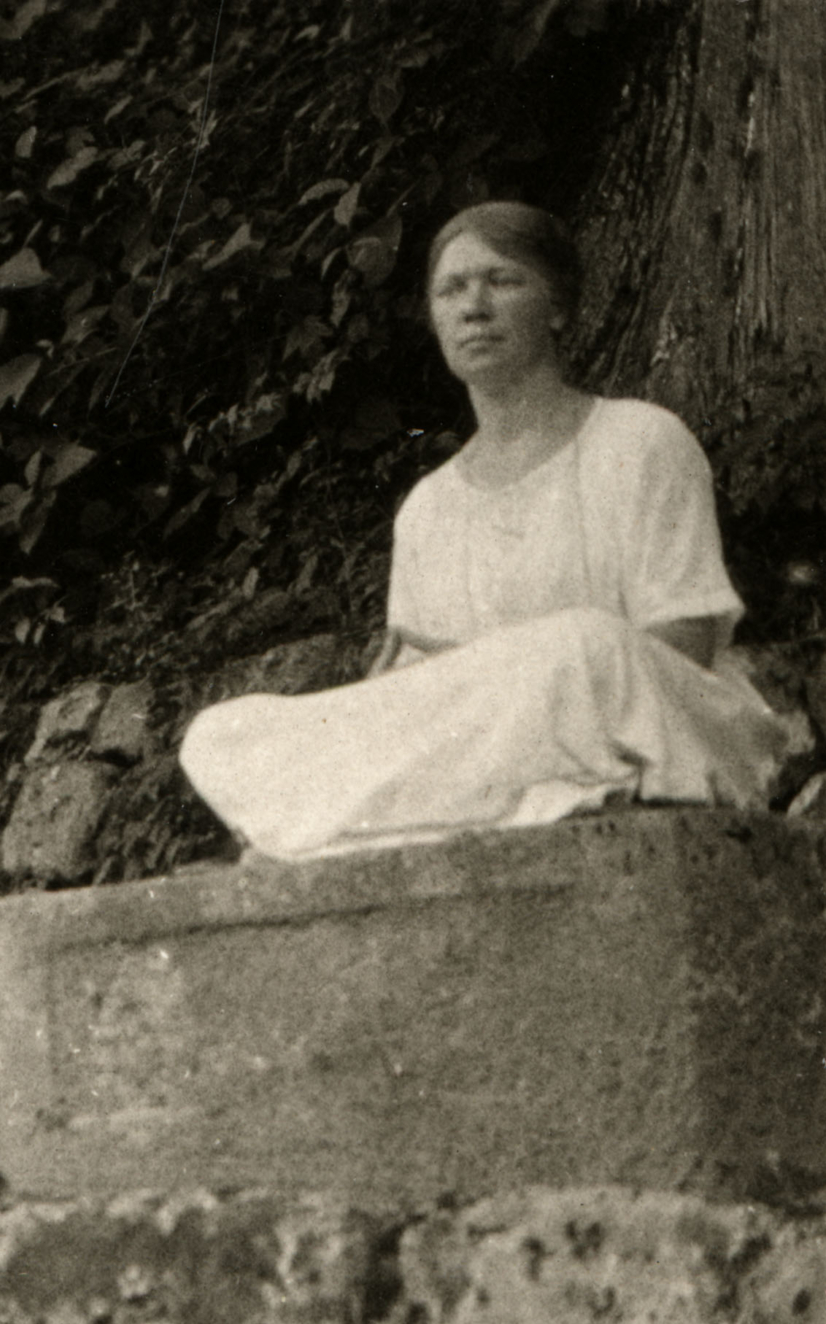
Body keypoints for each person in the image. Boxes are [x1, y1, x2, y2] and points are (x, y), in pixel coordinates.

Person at [180, 202, 793, 860]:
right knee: (221, 732)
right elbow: (423, 697)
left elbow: (684, 644)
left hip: (632, 709)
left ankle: (367, 818)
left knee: (578, 646)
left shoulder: (642, 441)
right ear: (437, 320)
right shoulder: (427, 507)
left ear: (557, 308)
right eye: (451, 289)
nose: (474, 306)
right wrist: (411, 691)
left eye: (502, 280)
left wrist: (508, 676)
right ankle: (452, 804)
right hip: (480, 740)